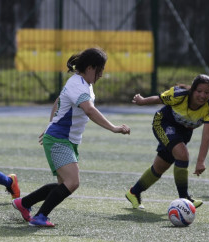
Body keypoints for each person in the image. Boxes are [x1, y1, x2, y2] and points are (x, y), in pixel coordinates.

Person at [12, 47, 130, 227]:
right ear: (90, 68)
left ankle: (24, 203)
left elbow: (59, 101)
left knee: (63, 185)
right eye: (100, 70)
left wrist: (50, 125)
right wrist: (113, 128)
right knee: (72, 182)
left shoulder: (84, 84)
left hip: (66, 140)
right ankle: (40, 217)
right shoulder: (78, 84)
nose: (101, 75)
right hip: (60, 140)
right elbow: (89, 110)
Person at [125, 74, 209, 209]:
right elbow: (159, 99)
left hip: (183, 133)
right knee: (183, 155)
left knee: (160, 167)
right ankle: (185, 199)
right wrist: (142, 100)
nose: (202, 96)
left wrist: (200, 161)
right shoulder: (179, 95)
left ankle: (133, 192)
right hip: (162, 123)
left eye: (207, 92)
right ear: (192, 90)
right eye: (199, 91)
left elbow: (206, 137)